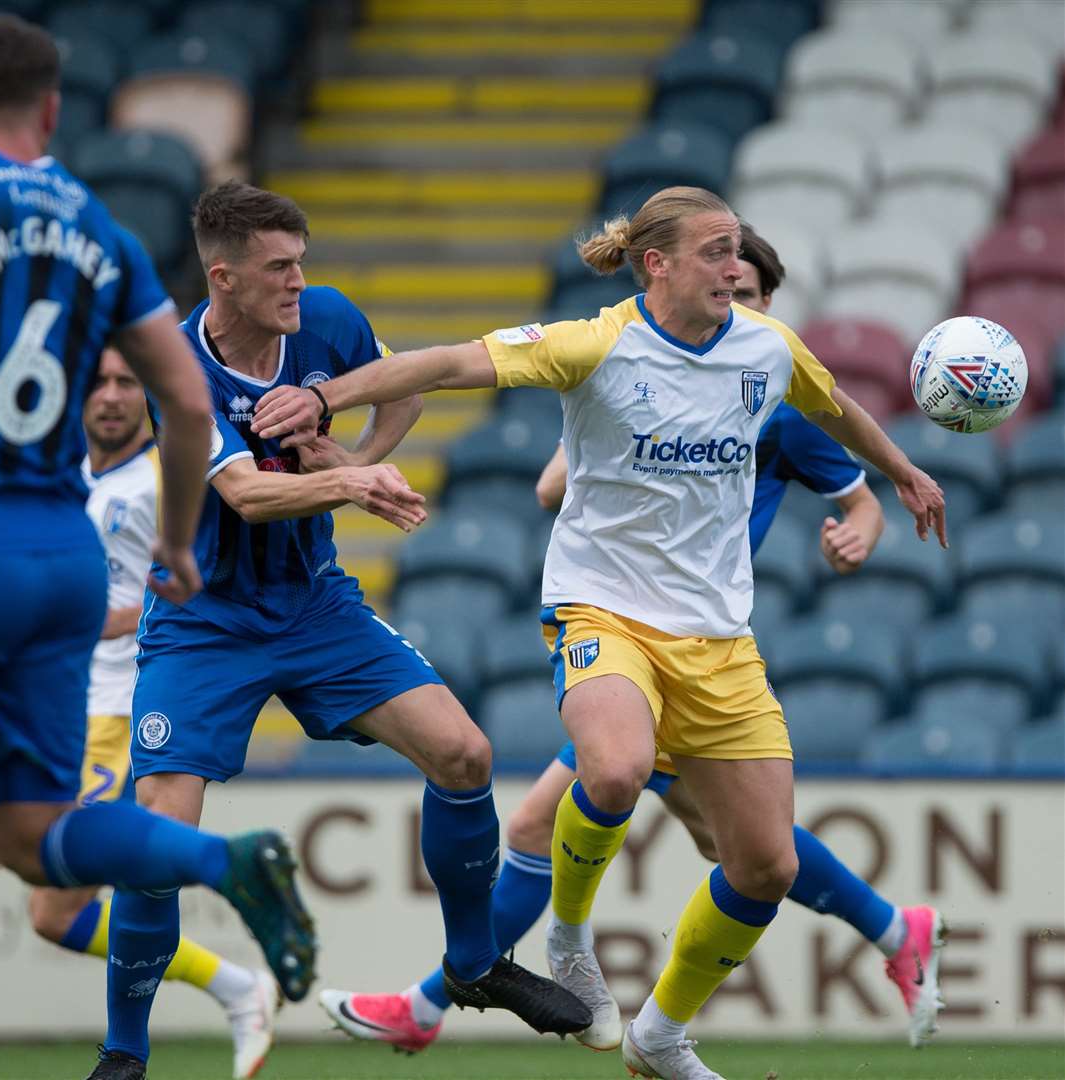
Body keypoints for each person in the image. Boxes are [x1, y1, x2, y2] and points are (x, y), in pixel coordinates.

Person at [248, 186, 948, 1080]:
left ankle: (659, 1036)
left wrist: (903, 474)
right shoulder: (596, 342)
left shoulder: (765, 350)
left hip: (718, 640)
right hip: (603, 612)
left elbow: (833, 405)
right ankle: (568, 945)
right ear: (655, 264)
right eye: (716, 252)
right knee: (610, 769)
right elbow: (443, 364)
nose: (735, 268)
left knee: (764, 866)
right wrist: (321, 394)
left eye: (737, 251)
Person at [88, 179, 590, 1078]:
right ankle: (125, 1053)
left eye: (301, 263)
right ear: (224, 279)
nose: (298, 282)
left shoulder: (325, 321)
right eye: (278, 268)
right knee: (159, 832)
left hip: (316, 605)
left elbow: (402, 395)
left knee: (464, 754)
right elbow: (241, 492)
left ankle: (472, 964)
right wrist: (351, 485)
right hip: (206, 619)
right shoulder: (173, 365)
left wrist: (358, 455)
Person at [0, 14, 320, 1069]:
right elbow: (186, 399)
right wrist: (179, 541)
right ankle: (222, 863)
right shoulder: (101, 228)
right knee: (37, 840)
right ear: (51, 112)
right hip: (62, 568)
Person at [0, 349, 281, 1080]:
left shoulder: (171, 477)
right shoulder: (61, 477)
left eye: (127, 383)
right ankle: (238, 986)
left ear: (149, 397)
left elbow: (201, 593)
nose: (110, 398)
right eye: (97, 384)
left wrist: (78, 619)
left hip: (113, 713)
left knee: (53, 903)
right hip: (44, 708)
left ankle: (231, 962)